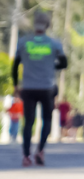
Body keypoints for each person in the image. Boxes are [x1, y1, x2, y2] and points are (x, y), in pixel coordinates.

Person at [12, 11, 69, 166]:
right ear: (47, 25)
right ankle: (40, 150)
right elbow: (64, 64)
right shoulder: (54, 44)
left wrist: (16, 85)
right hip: (47, 87)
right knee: (47, 119)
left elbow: (15, 65)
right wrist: (51, 65)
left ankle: (25, 156)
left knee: (28, 121)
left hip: (28, 87)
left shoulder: (24, 42)